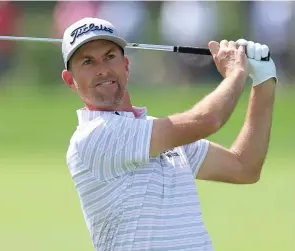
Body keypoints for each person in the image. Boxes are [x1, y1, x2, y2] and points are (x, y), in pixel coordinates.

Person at [62, 17, 277, 251]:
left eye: (109, 57)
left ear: (125, 65)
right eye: (88, 62)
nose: (102, 70)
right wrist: (236, 73)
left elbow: (243, 167)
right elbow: (207, 120)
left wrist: (264, 80)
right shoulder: (94, 136)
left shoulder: (156, 134)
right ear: (70, 80)